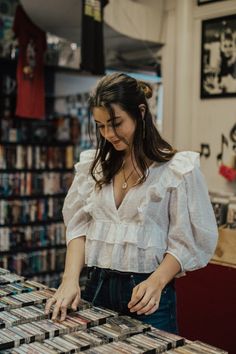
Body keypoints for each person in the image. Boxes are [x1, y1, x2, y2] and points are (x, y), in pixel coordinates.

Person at [45, 73, 218, 334]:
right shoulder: (94, 167)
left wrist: (157, 282)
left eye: (116, 123)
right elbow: (78, 227)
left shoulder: (177, 170)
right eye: (101, 126)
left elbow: (186, 241)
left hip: (147, 296)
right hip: (97, 286)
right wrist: (69, 279)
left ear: (140, 112)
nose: (109, 134)